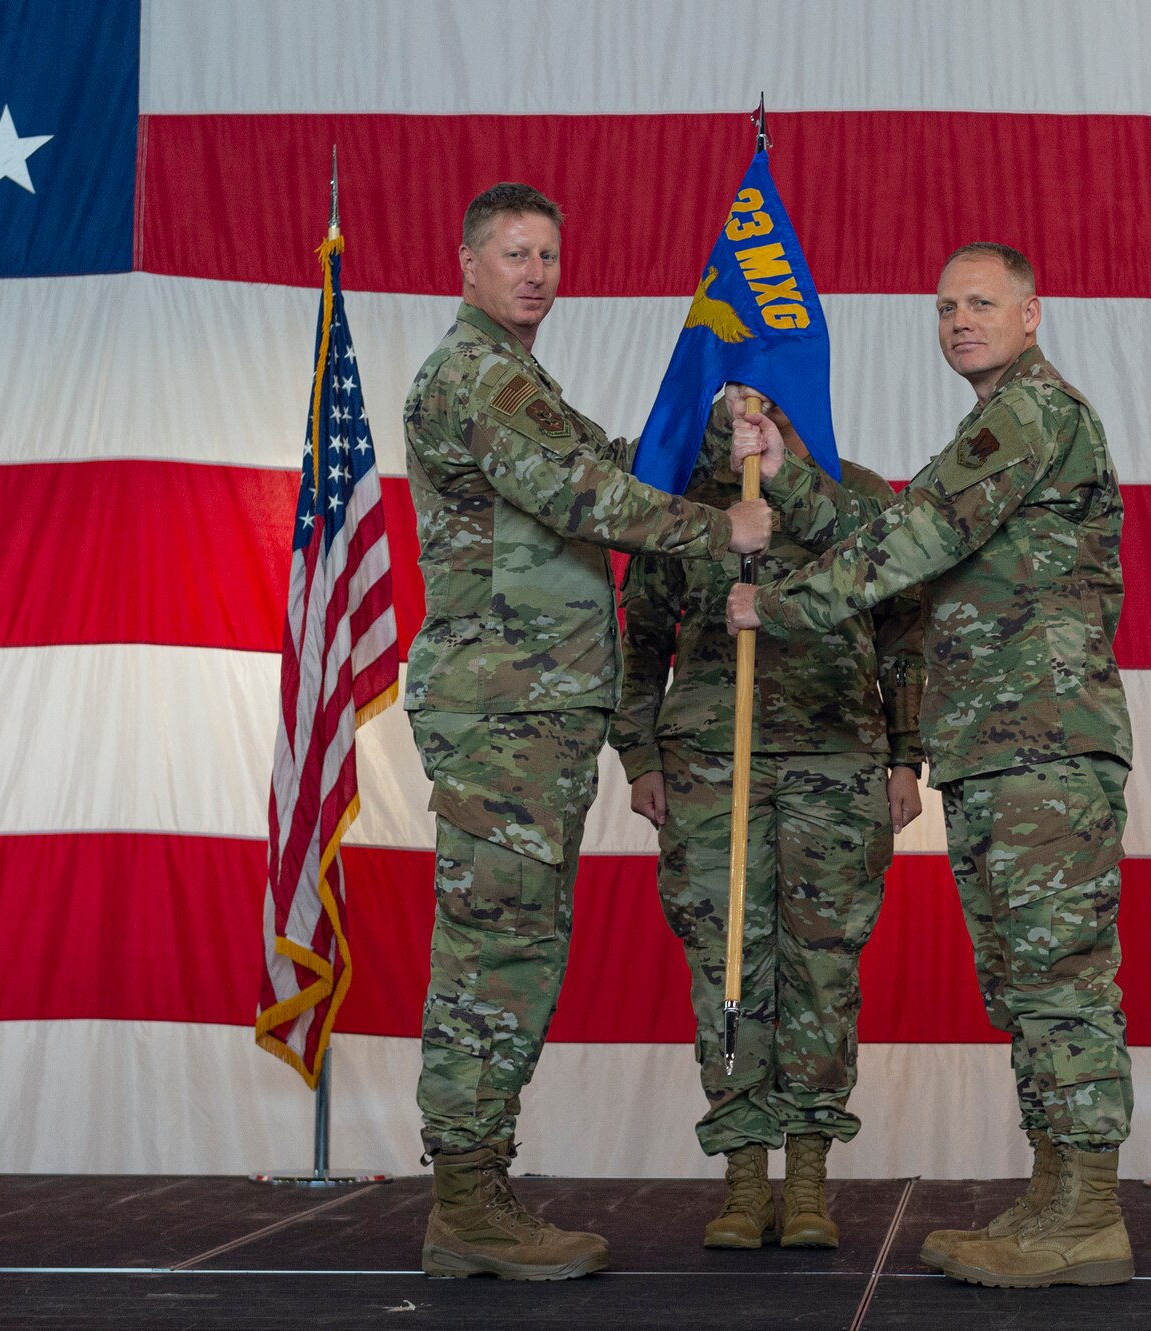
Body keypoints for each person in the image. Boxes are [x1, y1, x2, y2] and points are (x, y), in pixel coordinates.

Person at [723, 242, 1136, 1289]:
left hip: (1041, 743)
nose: (959, 319)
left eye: (982, 303)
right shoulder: (989, 429)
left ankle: (1086, 1207)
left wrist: (777, 603)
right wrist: (788, 470)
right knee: (1022, 977)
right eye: (945, 305)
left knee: (1058, 981)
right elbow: (895, 527)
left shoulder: (1033, 414)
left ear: (1031, 315)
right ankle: (1056, 1193)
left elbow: (909, 536)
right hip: (1000, 745)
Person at [402, 181, 771, 1280]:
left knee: (516, 947)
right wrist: (725, 523)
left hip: (536, 710)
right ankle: (466, 1206)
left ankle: (478, 1190)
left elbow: (613, 456)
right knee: (494, 954)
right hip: (501, 710)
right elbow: (584, 493)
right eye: (513, 253)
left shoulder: (520, 380)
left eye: (549, 255)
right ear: (467, 264)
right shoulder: (473, 375)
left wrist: (720, 431)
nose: (535, 271)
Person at [613, 401, 925, 1250]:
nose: (749, 407)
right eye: (732, 391)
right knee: (728, 967)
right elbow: (642, 635)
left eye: (766, 390)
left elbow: (903, 627)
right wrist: (638, 751)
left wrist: (906, 753)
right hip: (714, 763)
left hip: (836, 757)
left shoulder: (851, 495)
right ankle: (746, 1182)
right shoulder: (682, 503)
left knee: (821, 968)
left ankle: (812, 1180)